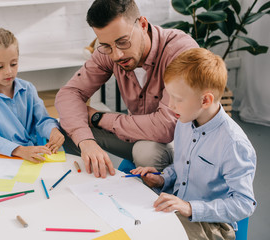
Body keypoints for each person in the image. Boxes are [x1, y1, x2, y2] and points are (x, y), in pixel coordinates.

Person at [55, 0, 198, 178]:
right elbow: (68, 94)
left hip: (178, 143)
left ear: (143, 25)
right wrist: (86, 142)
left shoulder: (181, 52)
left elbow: (166, 127)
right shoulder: (109, 51)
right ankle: (90, 192)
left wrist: (98, 117)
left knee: (146, 152)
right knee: (68, 129)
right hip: (137, 132)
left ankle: (154, 197)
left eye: (123, 42)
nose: (117, 55)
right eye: (106, 46)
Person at [131, 48, 257, 240]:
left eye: (178, 99)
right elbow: (184, 167)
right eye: (169, 96)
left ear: (205, 100)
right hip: (180, 207)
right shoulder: (185, 122)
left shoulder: (234, 144)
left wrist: (190, 207)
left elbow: (244, 204)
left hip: (212, 224)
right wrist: (163, 179)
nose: (170, 105)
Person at [0, 28, 64, 163]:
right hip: (0, 159)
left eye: (13, 64)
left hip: (31, 156)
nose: (9, 71)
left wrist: (53, 130)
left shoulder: (28, 89)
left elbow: (42, 120)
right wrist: (19, 150)